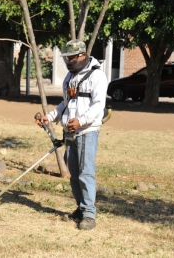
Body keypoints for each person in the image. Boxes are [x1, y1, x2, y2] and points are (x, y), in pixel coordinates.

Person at [39, 39, 108, 230]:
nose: (68, 61)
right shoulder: (70, 76)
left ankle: (89, 215)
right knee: (74, 174)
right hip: (69, 132)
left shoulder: (97, 76)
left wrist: (81, 121)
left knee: (86, 173)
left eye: (71, 57)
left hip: (87, 132)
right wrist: (51, 116)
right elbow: (66, 104)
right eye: (66, 58)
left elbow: (98, 106)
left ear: (82, 55)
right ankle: (80, 207)